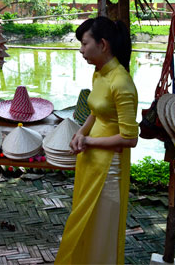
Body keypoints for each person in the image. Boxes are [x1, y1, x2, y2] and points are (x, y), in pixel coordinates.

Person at [55, 17, 138, 264]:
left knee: (102, 229)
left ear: (103, 44)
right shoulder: (99, 74)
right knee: (84, 221)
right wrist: (81, 132)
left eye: (84, 43)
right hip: (90, 161)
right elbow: (95, 112)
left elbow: (130, 138)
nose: (81, 50)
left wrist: (89, 142)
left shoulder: (121, 82)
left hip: (108, 170)